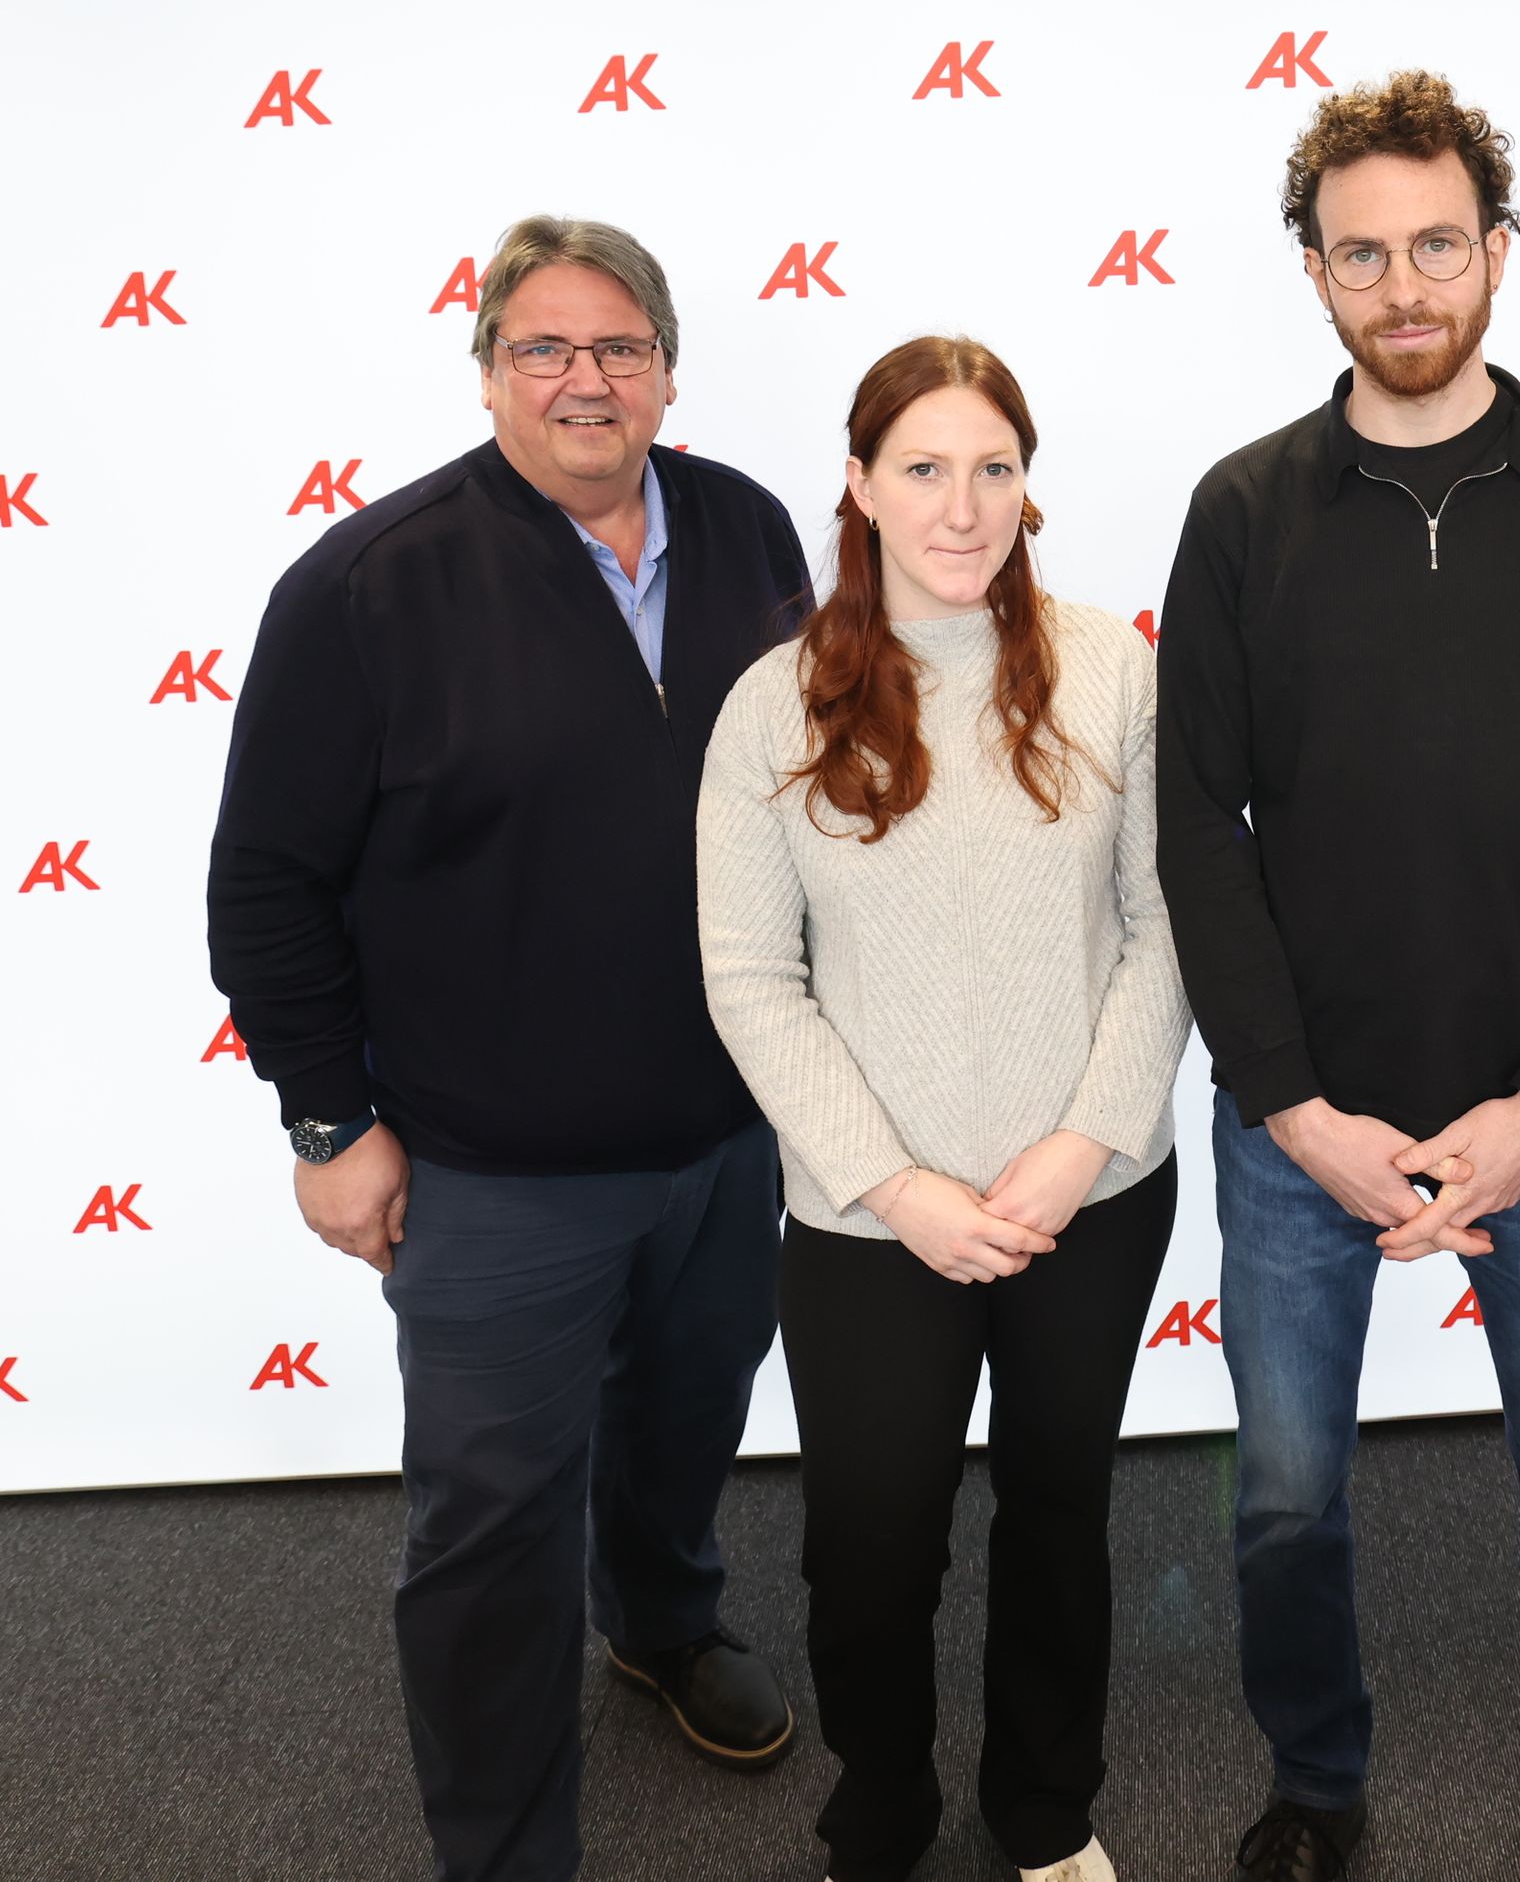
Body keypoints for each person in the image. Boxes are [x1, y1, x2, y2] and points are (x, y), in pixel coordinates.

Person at [206, 214, 816, 1882]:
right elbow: (265, 880)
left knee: (687, 1428)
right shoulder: (363, 587)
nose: (585, 379)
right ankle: (500, 1847)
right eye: (543, 348)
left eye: (619, 346)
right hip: (491, 1170)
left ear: (669, 369)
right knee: (487, 1533)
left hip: (728, 1132)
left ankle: (665, 1627)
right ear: (486, 373)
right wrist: (330, 1125)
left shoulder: (755, 525)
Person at [1157, 72, 1520, 1882]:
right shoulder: (1243, 510)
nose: (1404, 287)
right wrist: (1298, 1110)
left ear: (1497, 252)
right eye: (1361, 252)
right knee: (1288, 1503)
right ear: (1312, 271)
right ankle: (1315, 1788)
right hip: (1302, 1126)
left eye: (1437, 247)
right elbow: (1198, 837)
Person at [697, 336, 1188, 1882]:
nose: (963, 505)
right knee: (869, 1547)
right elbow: (749, 979)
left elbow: (1171, 921)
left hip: (1087, 1198)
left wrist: (1081, 1142)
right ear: (857, 484)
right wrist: (899, 1186)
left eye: (994, 468)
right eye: (923, 467)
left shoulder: (1113, 668)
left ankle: (1044, 1810)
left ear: (1028, 486)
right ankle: (884, 1810)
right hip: (868, 1220)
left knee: (1059, 1514)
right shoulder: (774, 707)